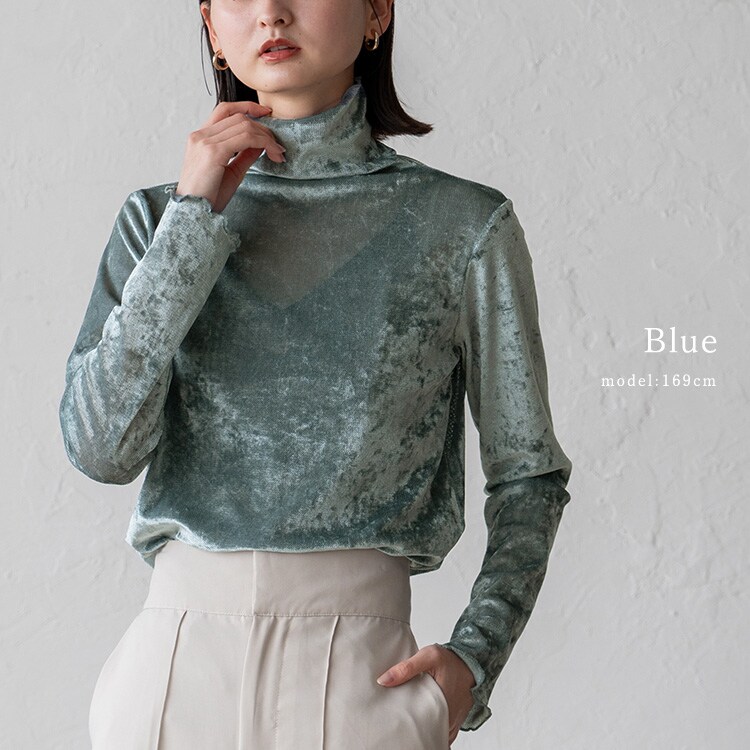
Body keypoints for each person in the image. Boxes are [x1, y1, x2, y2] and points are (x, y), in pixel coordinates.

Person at [58, 0, 573, 748]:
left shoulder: (462, 225)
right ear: (211, 26)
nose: (271, 12)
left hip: (362, 679)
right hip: (172, 671)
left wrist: (477, 657)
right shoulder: (157, 219)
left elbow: (529, 474)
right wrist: (192, 217)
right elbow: (100, 449)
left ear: (376, 12)